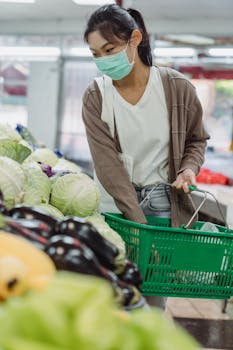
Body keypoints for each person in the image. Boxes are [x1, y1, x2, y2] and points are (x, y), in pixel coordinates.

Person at [82, 4, 209, 309]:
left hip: (162, 205)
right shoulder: (96, 96)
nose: (103, 60)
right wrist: (139, 229)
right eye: (96, 54)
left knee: (152, 296)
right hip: (113, 205)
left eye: (109, 49)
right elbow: (108, 166)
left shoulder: (176, 88)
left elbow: (196, 139)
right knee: (111, 292)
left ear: (135, 39)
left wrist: (189, 169)